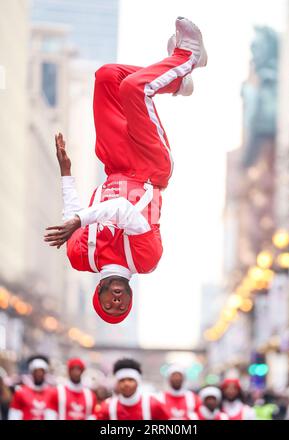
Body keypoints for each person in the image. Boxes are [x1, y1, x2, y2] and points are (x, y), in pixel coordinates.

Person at [44, 17, 207, 324]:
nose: (116, 302)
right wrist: (78, 221)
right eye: (120, 308)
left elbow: (73, 211)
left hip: (114, 165)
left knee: (107, 76)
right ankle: (188, 57)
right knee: (135, 89)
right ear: (129, 300)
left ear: (98, 295)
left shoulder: (81, 257)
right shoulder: (146, 260)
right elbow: (121, 210)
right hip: (150, 167)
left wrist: (66, 173)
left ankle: (176, 82)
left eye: (109, 305)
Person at [94, 358, 169, 420]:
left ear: (137, 382)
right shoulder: (107, 407)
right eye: (122, 380)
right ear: (117, 383)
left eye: (130, 380)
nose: (126, 384)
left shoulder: (153, 404)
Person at [8, 355, 51, 420]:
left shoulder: (52, 393)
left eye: (41, 371)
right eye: (36, 371)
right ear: (32, 373)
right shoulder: (21, 392)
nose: (39, 374)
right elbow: (14, 414)